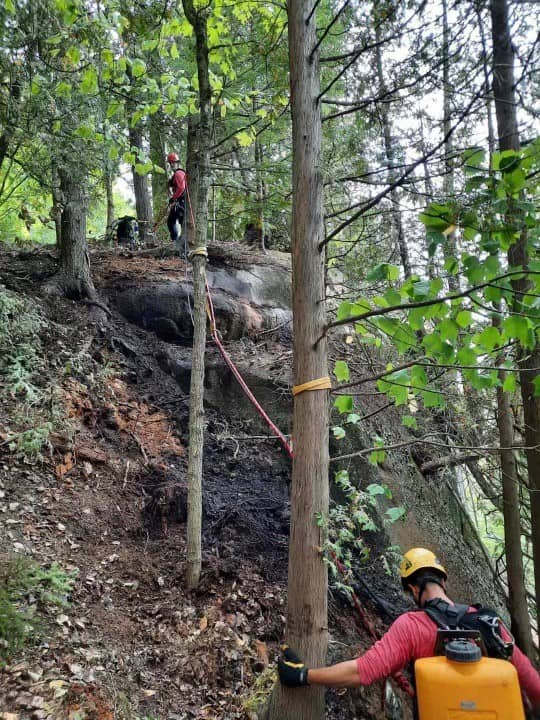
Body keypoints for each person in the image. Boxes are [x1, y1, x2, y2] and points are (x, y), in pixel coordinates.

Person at [278, 548, 540, 714]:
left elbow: (362, 672)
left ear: (413, 590)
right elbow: (532, 683)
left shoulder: (412, 627)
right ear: (444, 581)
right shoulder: (488, 622)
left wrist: (304, 675)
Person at [166, 152, 186, 250]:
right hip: (178, 201)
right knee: (171, 221)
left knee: (181, 222)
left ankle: (181, 244)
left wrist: (173, 198)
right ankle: (176, 241)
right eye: (170, 163)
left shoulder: (178, 173)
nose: (171, 165)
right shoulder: (178, 174)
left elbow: (181, 188)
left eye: (173, 163)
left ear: (177, 163)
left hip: (181, 201)